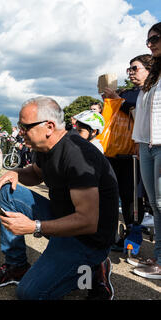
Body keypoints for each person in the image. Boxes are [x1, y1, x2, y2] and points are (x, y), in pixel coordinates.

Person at [0, 96, 119, 300]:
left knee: (30, 294)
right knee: (8, 191)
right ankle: (17, 267)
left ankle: (93, 268)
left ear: (49, 126)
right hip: (64, 218)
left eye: (25, 126)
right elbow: (36, 174)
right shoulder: (45, 146)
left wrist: (35, 226)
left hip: (87, 238)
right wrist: (17, 173)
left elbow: (88, 222)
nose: (20, 132)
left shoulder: (78, 155)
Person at [102, 54, 153, 250]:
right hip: (116, 152)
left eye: (135, 68)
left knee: (133, 195)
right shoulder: (128, 92)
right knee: (115, 192)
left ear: (149, 70)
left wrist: (118, 101)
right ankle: (114, 234)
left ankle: (134, 234)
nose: (130, 73)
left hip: (136, 152)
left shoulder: (149, 93)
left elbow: (140, 113)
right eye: (129, 69)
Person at [129, 22, 161, 280]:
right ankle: (159, 257)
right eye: (148, 40)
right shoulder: (152, 79)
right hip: (147, 146)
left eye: (155, 39)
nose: (150, 44)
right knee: (156, 205)